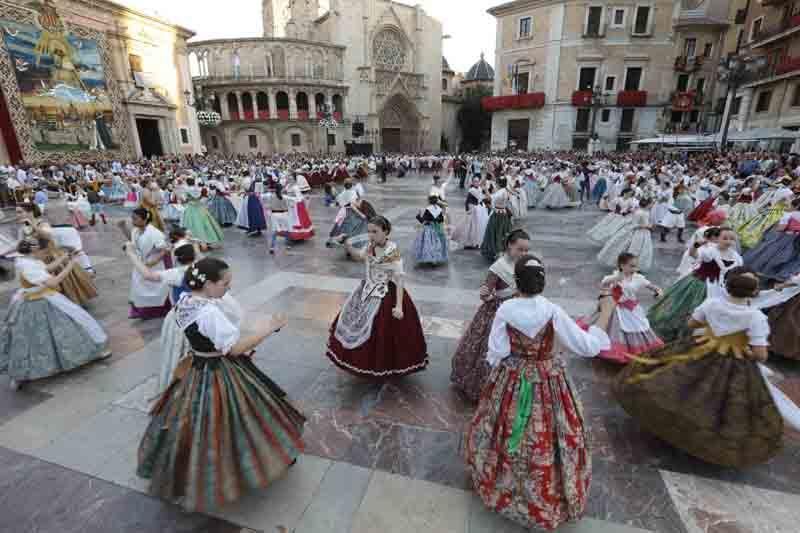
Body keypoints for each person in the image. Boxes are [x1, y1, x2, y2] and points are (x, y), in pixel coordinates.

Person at [137, 258, 305, 511]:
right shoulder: (209, 312)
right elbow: (235, 348)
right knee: (243, 415)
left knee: (194, 422)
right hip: (218, 370)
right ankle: (250, 461)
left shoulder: (184, 301)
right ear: (208, 284)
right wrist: (270, 327)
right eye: (225, 283)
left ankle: (189, 470)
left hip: (197, 368)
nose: (229, 287)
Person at [464, 255, 612, 531]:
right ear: (543, 282)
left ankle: (505, 482)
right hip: (548, 379)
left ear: (516, 282)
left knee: (505, 428)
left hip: (512, 378)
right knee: (550, 433)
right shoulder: (552, 310)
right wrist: (605, 312)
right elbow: (589, 346)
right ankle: (546, 491)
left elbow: (498, 352)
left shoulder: (506, 310)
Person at [615, 268, 800, 468]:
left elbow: (692, 323)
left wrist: (715, 330)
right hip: (735, 360)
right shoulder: (755, 317)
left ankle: (667, 421)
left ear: (727, 287)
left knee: (680, 384)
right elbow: (761, 354)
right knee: (722, 401)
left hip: (700, 347)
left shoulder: (712, 303)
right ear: (754, 293)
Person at [0, 238, 110, 391]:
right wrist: (70, 265)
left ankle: (21, 374)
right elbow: (52, 282)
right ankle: (21, 374)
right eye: (45, 252)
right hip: (38, 302)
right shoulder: (28, 266)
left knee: (31, 339)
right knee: (51, 333)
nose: (46, 255)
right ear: (36, 250)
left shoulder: (26, 259)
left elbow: (47, 268)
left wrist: (65, 257)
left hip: (37, 297)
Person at [325, 216, 428, 378]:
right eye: (369, 231)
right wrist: (347, 244)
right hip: (365, 290)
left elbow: (399, 278)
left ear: (386, 232)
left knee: (382, 331)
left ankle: (383, 365)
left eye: (375, 231)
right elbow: (359, 257)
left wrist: (399, 306)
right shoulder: (370, 246)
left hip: (385, 293)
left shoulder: (392, 251)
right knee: (356, 324)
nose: (371, 235)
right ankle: (363, 362)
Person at [450, 230, 530, 402]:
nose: (523, 253)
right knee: (489, 348)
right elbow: (486, 294)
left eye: (526, 250)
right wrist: (486, 294)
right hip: (499, 312)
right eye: (520, 249)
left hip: (521, 310)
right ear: (510, 245)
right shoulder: (498, 268)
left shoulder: (524, 264)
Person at [648, 227, 742, 342]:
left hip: (718, 288)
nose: (728, 241)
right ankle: (675, 333)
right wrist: (696, 245)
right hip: (698, 284)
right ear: (718, 239)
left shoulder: (736, 257)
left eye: (731, 239)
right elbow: (693, 254)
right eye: (725, 238)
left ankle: (694, 336)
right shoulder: (711, 251)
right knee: (683, 308)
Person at [578, 253, 663, 363]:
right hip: (614, 308)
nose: (635, 269)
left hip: (631, 309)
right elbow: (603, 285)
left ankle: (632, 351)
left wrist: (659, 293)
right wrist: (614, 280)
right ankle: (603, 348)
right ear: (622, 265)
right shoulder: (614, 276)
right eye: (631, 266)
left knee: (635, 329)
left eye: (636, 266)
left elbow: (656, 288)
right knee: (612, 329)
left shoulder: (639, 279)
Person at [120, 208, 172, 319]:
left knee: (156, 289)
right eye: (132, 218)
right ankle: (142, 311)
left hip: (154, 265)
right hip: (141, 264)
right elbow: (135, 242)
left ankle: (158, 311)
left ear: (144, 219)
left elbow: (165, 249)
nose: (132, 221)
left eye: (135, 218)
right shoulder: (135, 230)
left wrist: (154, 261)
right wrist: (123, 228)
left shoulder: (155, 233)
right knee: (139, 288)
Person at [597, 197, 654, 272]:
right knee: (634, 249)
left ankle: (637, 266)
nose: (652, 205)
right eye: (652, 203)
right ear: (648, 204)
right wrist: (646, 226)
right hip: (638, 233)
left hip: (645, 233)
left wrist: (649, 225)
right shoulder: (639, 212)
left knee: (643, 251)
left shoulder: (646, 211)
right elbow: (634, 225)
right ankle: (629, 265)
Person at [181, 180, 224, 247]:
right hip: (199, 207)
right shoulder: (199, 189)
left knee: (191, 223)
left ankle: (193, 239)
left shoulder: (186, 190)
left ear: (187, 183)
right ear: (194, 182)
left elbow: (185, 199)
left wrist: (188, 200)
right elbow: (203, 197)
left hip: (191, 208)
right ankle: (207, 238)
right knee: (205, 222)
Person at [451, 178, 490, 250]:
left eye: (478, 181)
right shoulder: (472, 190)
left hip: (478, 209)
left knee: (477, 226)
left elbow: (484, 197)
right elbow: (480, 197)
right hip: (473, 209)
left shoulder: (479, 188)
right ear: (472, 182)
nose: (477, 183)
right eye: (475, 181)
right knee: (470, 227)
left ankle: (475, 242)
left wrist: (484, 190)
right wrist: (485, 191)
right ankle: (469, 242)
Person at [480, 177, 513, 262]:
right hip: (504, 213)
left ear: (499, 184)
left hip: (497, 215)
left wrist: (485, 189)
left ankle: (496, 251)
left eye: (497, 183)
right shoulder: (506, 190)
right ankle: (502, 250)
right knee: (503, 231)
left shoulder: (500, 192)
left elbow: (490, 198)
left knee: (494, 232)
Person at [412, 195, 448, 266]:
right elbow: (441, 220)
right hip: (437, 228)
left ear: (429, 201)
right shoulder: (438, 209)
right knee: (437, 244)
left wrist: (418, 216)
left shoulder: (428, 209)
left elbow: (424, 221)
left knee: (428, 244)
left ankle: (430, 258)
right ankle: (436, 258)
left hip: (429, 228)